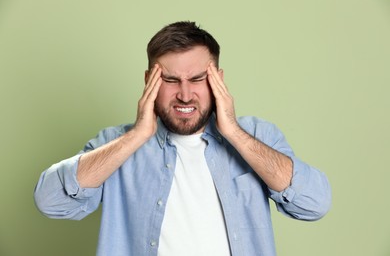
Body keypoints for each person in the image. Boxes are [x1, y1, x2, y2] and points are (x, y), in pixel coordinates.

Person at [34, 21, 331, 256]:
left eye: (198, 79)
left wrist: (233, 134)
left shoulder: (257, 136)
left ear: (218, 80)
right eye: (170, 80)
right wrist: (136, 136)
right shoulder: (115, 143)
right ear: (149, 80)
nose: (185, 94)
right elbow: (50, 202)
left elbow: (314, 204)